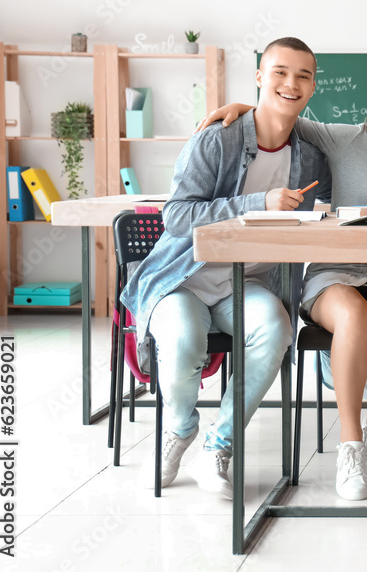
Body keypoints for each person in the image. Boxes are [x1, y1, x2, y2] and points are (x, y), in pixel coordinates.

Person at [197, 60, 367, 501]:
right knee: (351, 313)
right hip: (336, 273)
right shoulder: (348, 138)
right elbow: (285, 119)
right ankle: (349, 447)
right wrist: (244, 106)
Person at [122, 37, 331, 500]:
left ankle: (221, 443)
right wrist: (258, 202)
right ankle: (178, 432)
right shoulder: (216, 139)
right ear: (259, 75)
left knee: (276, 330)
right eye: (280, 71)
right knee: (182, 339)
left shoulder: (312, 156)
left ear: (313, 85)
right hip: (184, 279)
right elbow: (176, 216)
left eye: (303, 75)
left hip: (250, 284)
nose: (291, 83)